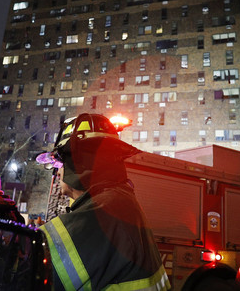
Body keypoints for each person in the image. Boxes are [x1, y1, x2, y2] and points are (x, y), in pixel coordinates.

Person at [37, 114, 171, 290]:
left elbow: (35, 263)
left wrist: (16, 241)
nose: (57, 172)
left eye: (60, 162)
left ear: (77, 163)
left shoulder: (106, 210)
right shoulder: (116, 200)